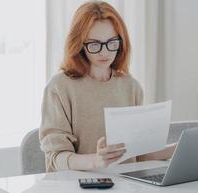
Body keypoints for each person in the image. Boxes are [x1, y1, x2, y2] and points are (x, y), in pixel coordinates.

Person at [39, 0, 175, 172]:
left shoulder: (131, 86)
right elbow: (56, 158)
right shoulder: (59, 87)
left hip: (127, 188)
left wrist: (179, 148)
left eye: (112, 43)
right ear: (80, 45)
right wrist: (95, 161)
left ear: (121, 42)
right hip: (79, 188)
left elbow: (136, 154)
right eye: (95, 44)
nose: (105, 52)